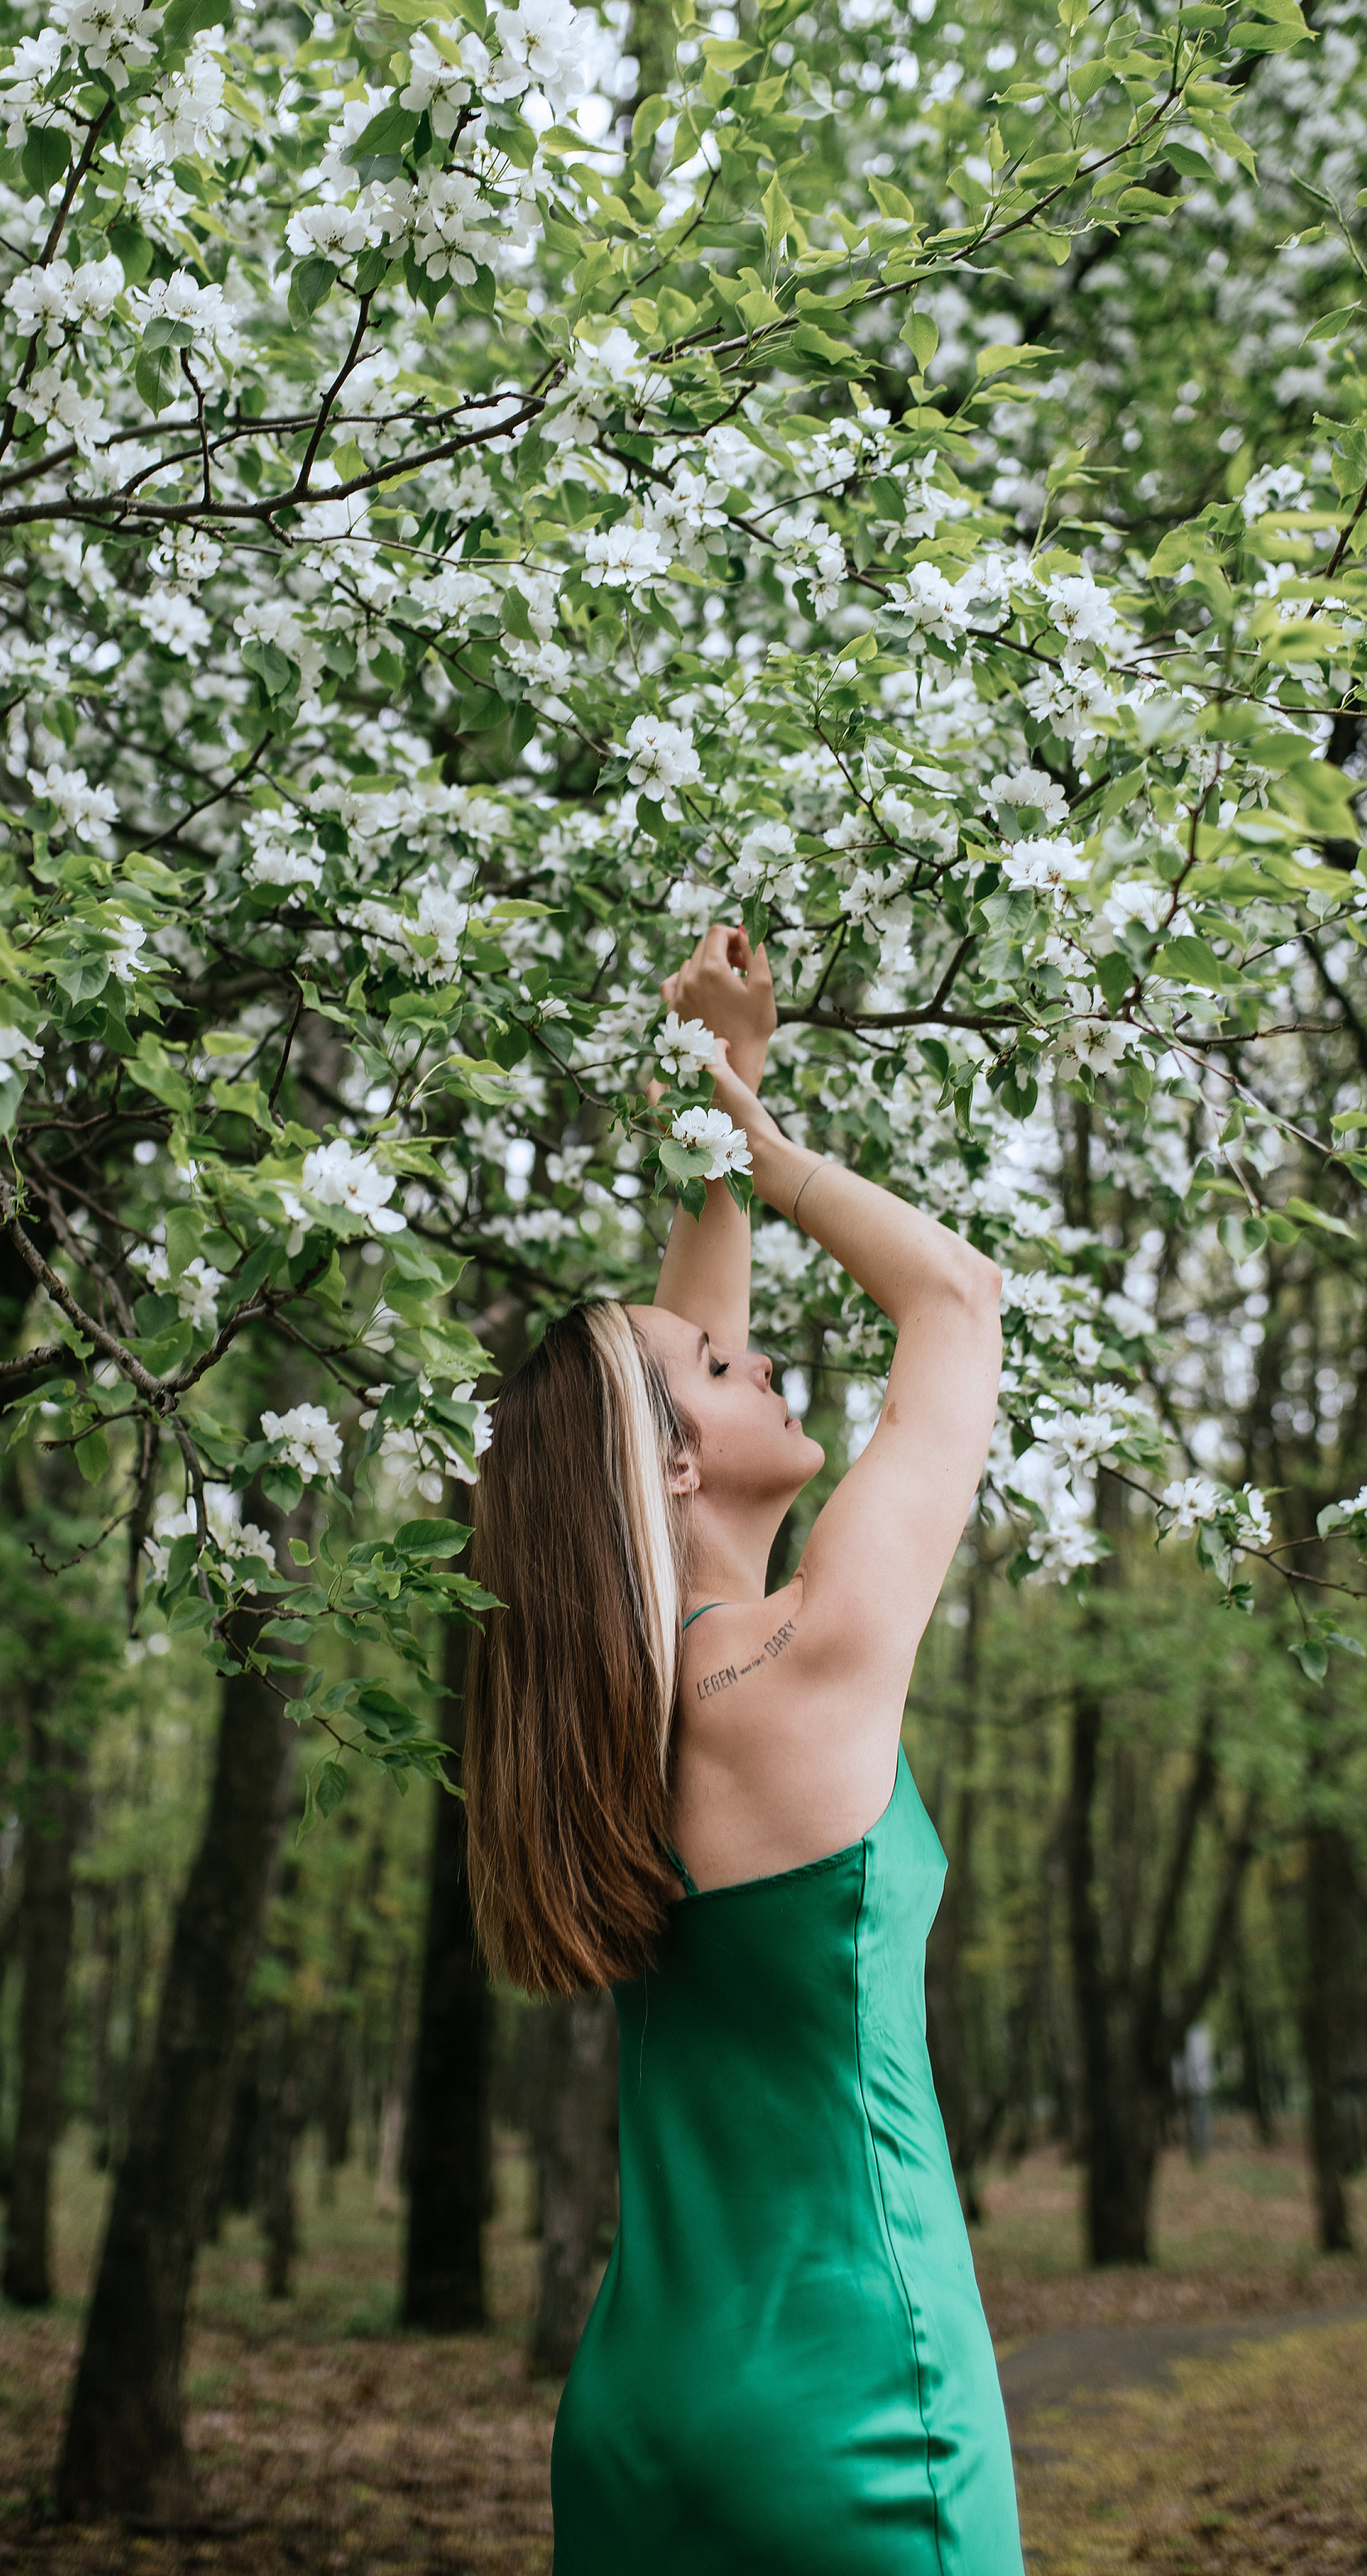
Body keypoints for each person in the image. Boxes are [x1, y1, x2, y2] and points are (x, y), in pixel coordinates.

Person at [465, 924, 1024, 2576]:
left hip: (641, 2422)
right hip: (855, 2412)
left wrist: (719, 1087)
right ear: (675, 1473)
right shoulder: (806, 1666)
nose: (756, 1348)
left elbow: (665, 1382)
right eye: (725, 1366)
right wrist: (770, 1160)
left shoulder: (613, 1723)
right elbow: (957, 1298)